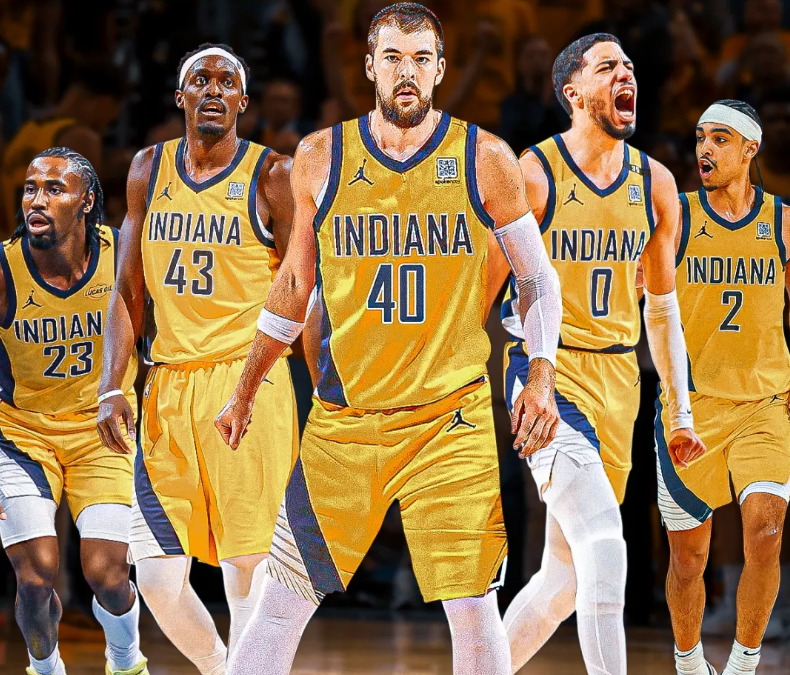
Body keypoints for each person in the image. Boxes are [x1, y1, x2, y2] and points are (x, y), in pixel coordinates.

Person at [215, 4, 563, 673]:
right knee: (281, 600)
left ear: (441, 69)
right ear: (370, 67)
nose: (409, 72)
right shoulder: (320, 156)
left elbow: (537, 278)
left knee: (473, 606)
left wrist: (541, 372)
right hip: (346, 420)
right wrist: (246, 387)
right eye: (395, 58)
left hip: (449, 418)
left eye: (422, 59)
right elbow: (294, 284)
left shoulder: (485, 157)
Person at [500, 33, 705, 675]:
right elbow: (484, 286)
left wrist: (679, 414)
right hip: (547, 372)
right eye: (608, 66)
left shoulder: (657, 183)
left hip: (620, 377)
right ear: (573, 91)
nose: (626, 75)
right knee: (604, 544)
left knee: (563, 581)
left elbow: (662, 312)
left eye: (630, 66)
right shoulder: (535, 173)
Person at [96, 43, 298, 675]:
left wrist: (325, 378)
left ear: (242, 101)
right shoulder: (147, 169)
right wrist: (111, 386)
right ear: (180, 96)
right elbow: (126, 290)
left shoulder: (273, 175)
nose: (214, 89)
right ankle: (221, 668)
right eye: (201, 80)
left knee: (247, 570)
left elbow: (303, 285)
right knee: (156, 577)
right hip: (167, 386)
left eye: (227, 82)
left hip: (249, 383)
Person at [0, 148, 146, 675]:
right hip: (21, 436)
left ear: (86, 201)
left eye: (54, 189)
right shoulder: (5, 269)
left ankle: (126, 659)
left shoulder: (123, 251)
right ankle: (45, 669)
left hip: (102, 432)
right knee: (36, 577)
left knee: (108, 575)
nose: (37, 200)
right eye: (30, 189)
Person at [658, 99, 790, 675]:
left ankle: (742, 665)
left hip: (765, 402)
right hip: (692, 409)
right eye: (699, 138)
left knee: (765, 532)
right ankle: (689, 662)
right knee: (689, 559)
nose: (704, 149)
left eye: (719, 139)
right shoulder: (678, 217)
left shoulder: (782, 222)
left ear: (750, 149)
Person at [0, 63, 125, 239]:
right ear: (103, 103)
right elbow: (82, 227)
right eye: (109, 120)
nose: (105, 129)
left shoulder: (25, 133)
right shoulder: (81, 138)